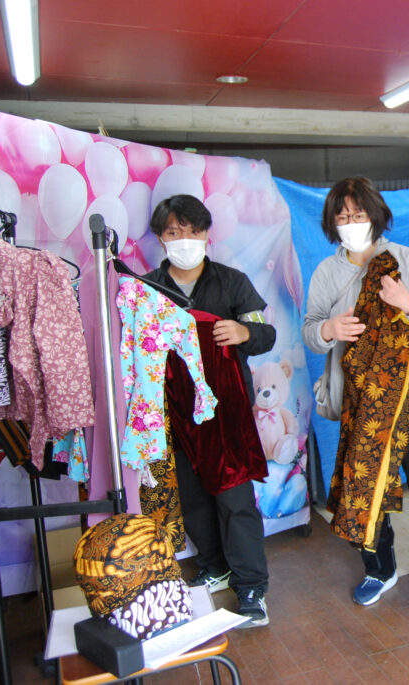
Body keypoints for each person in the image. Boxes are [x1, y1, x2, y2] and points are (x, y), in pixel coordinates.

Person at [301, 177, 409, 609]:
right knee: (367, 490)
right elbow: (310, 331)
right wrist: (328, 329)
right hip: (363, 406)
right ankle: (379, 569)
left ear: (376, 216)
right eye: (343, 216)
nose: (352, 223)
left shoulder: (408, 261)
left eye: (359, 214)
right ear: (332, 223)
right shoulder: (327, 272)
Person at [145, 194, 276, 627]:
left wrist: (244, 332)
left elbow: (266, 333)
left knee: (234, 497)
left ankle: (251, 585)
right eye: (174, 232)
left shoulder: (232, 282)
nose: (184, 239)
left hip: (227, 412)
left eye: (193, 231)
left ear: (206, 234)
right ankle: (213, 564)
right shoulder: (146, 289)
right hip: (174, 412)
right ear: (161, 238)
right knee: (192, 494)